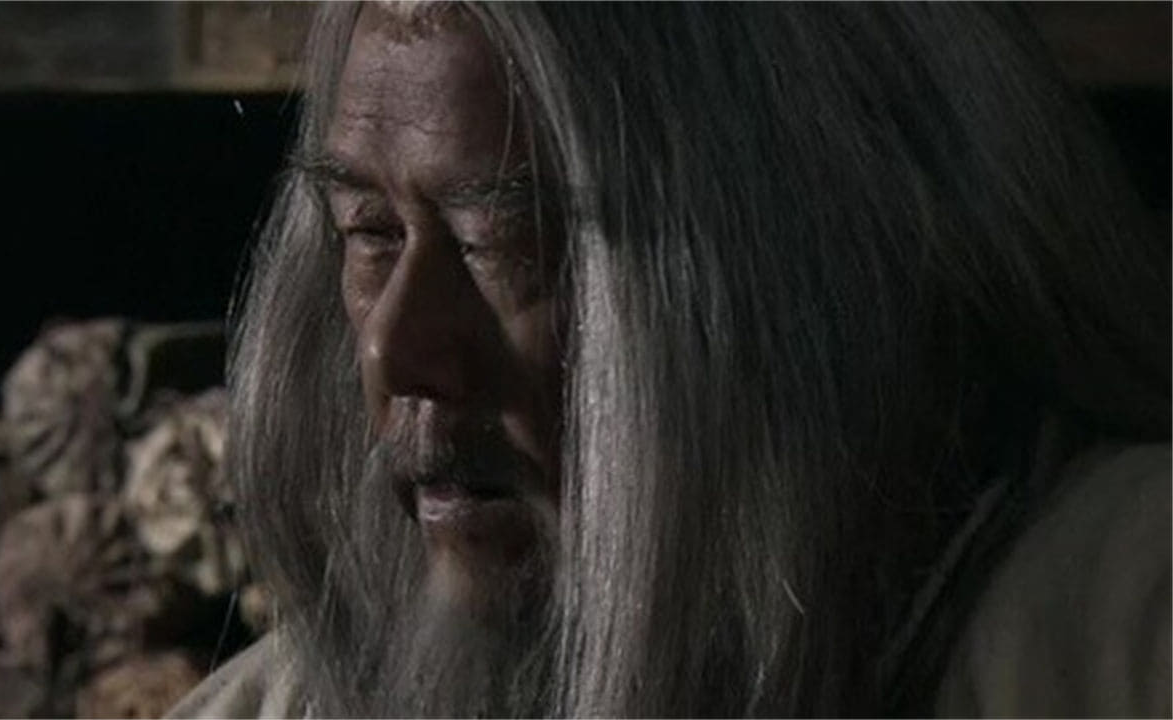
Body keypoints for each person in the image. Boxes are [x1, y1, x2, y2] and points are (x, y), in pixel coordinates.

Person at [170, 3, 1170, 717]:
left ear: (797, 268)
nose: (395, 348)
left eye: (504, 241)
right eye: (370, 234)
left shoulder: (1120, 628)